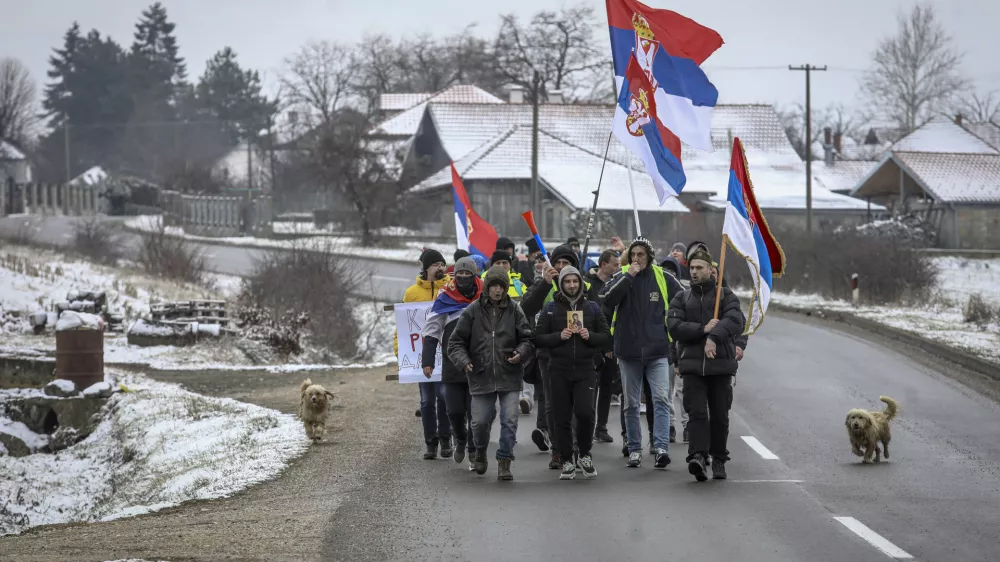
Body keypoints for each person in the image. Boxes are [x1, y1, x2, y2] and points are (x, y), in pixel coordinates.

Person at [599, 237, 681, 469]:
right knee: (632, 404)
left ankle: (661, 448)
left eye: (641, 255)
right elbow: (606, 298)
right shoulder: (621, 275)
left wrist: (674, 329)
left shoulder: (663, 277)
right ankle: (634, 448)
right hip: (628, 352)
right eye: (633, 255)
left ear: (649, 256)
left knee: (661, 399)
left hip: (657, 351)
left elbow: (683, 299)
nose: (636, 259)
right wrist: (629, 277)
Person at [447, 265, 535, 481]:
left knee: (510, 420)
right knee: (479, 422)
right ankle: (479, 451)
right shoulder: (473, 310)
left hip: (509, 374)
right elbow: (455, 342)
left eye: (501, 286)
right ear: (487, 287)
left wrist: (520, 353)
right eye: (494, 286)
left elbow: (528, 339)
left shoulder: (515, 310)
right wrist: (464, 361)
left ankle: (505, 460)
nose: (497, 290)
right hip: (480, 374)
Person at [667, 244, 744, 481]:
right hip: (692, 366)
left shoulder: (726, 296)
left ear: (711, 270)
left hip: (720, 365)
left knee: (719, 415)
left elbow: (735, 320)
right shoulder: (681, 297)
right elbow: (674, 326)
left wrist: (713, 337)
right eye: (692, 267)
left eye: (699, 267)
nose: (694, 272)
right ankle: (698, 456)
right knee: (696, 412)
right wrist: (702, 330)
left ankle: (719, 457)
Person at [535, 265, 612, 480]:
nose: (571, 285)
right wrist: (558, 336)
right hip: (559, 370)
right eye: (567, 281)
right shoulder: (551, 308)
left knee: (585, 413)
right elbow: (538, 338)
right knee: (561, 417)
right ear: (561, 284)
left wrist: (590, 336)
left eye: (575, 281)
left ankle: (585, 454)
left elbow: (606, 336)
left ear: (580, 283)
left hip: (586, 369)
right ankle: (567, 459)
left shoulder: (592, 307)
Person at [520, 244, 591, 469]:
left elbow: (598, 316)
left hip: (579, 356)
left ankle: (578, 447)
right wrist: (544, 284)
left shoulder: (584, 286)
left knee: (579, 406)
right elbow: (526, 308)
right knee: (552, 404)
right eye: (557, 263)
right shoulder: (544, 283)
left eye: (565, 263)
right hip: (548, 354)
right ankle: (559, 450)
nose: (560, 268)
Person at [422, 257, 483, 471]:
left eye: (468, 274)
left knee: (475, 412)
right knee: (455, 411)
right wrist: (427, 361)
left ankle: (474, 450)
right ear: (454, 275)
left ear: (474, 275)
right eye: (460, 274)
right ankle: (460, 438)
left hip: (478, 363)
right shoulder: (445, 297)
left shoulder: (485, 294)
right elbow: (431, 331)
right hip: (452, 364)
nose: (464, 277)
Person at [395, 249, 453, 459]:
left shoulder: (450, 289)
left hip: (445, 355)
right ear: (426, 268)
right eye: (436, 264)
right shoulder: (411, 293)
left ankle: (446, 439)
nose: (440, 268)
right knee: (427, 402)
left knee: (443, 397)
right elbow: (403, 325)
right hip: (421, 356)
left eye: (442, 264)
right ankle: (431, 442)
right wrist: (399, 349)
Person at [585, 249, 621, 444]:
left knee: (607, 386)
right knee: (591, 387)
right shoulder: (587, 284)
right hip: (591, 343)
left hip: (610, 344)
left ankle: (601, 427)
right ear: (604, 264)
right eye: (615, 264)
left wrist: (610, 345)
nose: (618, 268)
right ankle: (588, 426)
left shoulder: (616, 284)